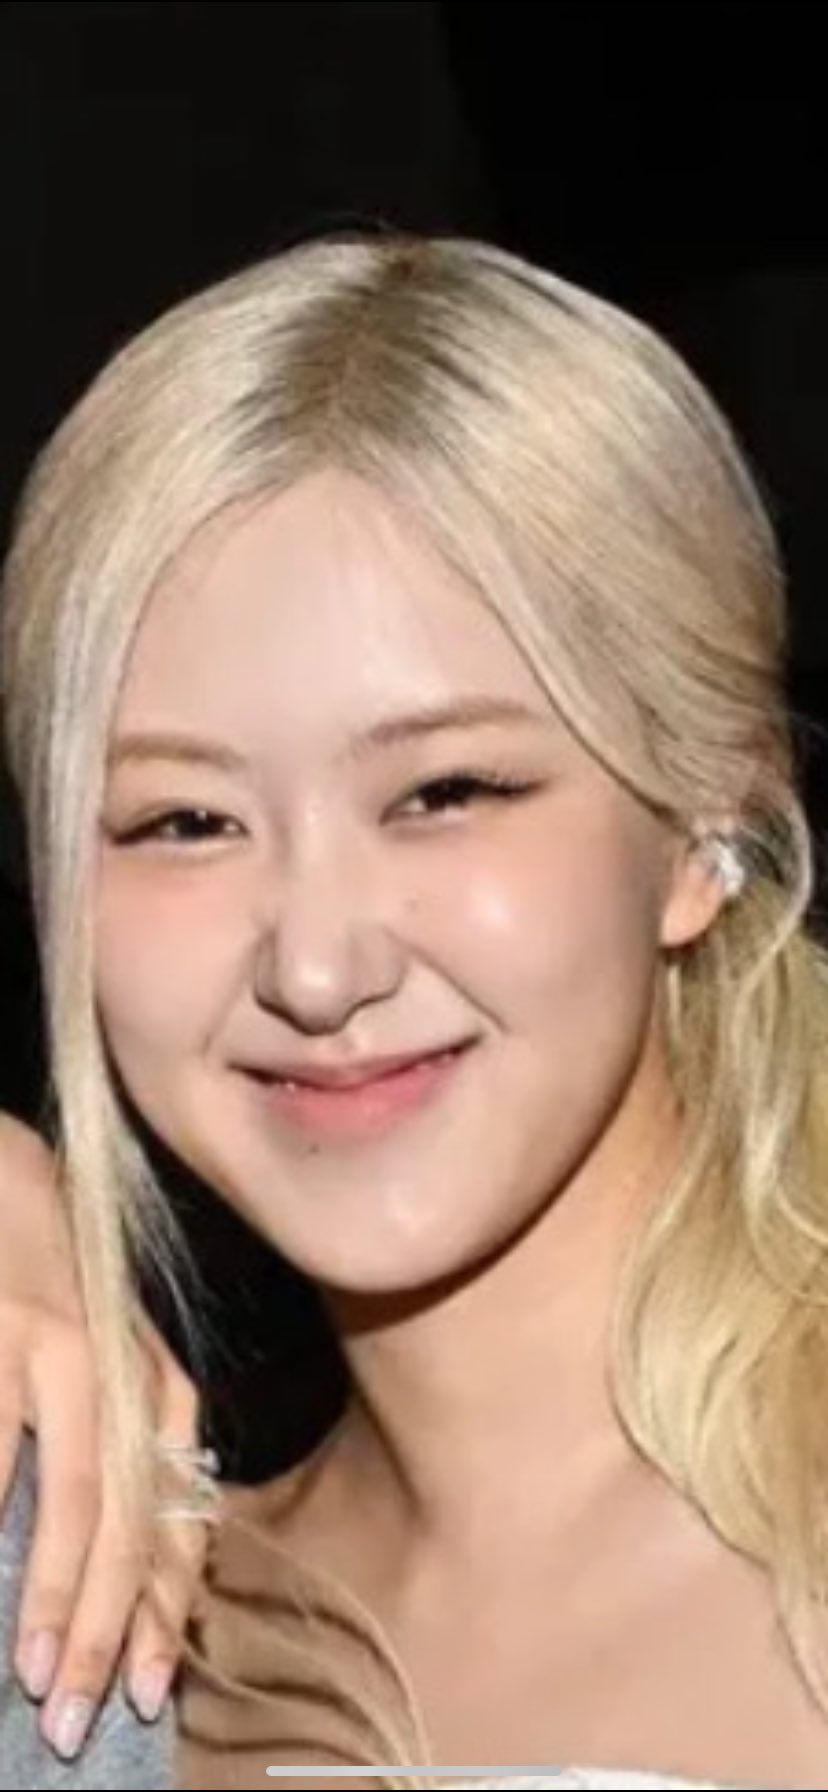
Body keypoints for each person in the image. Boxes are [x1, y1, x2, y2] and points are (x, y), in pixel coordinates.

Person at [2, 227, 828, 1790]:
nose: (317, 970)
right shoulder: (99, 1657)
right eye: (184, 821)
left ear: (703, 825)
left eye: (447, 791)